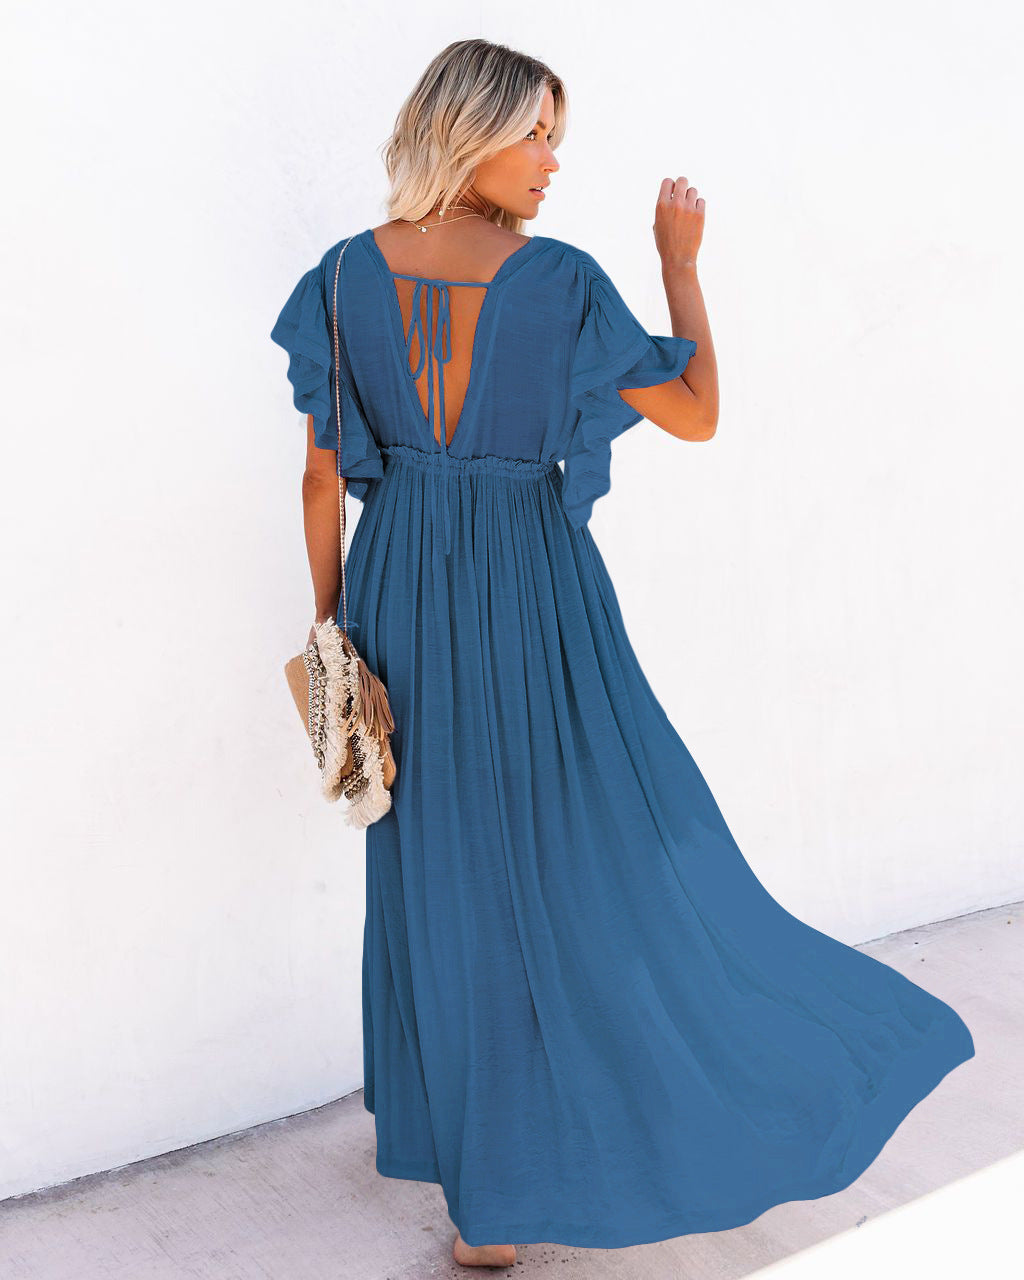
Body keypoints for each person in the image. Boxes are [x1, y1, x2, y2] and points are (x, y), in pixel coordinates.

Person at [270, 37, 975, 1271]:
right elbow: (697, 414)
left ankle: (483, 1201)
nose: (552, 163)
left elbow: (323, 477)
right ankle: (569, 1144)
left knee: (438, 872)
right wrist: (680, 268)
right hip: (530, 590)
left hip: (395, 595)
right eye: (534, 134)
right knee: (589, 849)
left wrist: (336, 638)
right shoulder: (559, 283)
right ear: (465, 128)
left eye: (558, 139)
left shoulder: (338, 278)